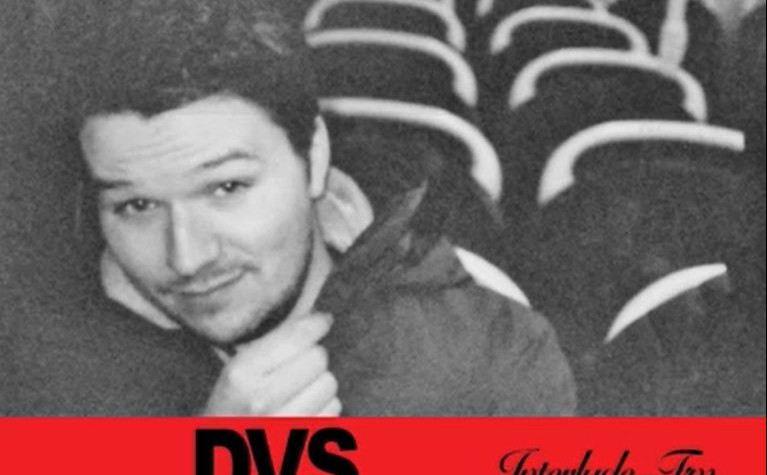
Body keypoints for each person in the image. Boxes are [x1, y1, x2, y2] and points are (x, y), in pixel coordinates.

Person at [2, 0, 576, 415]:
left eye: (226, 188)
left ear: (315, 156)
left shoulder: (489, 362)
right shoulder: (39, 375)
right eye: (137, 205)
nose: (187, 257)